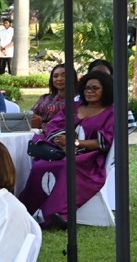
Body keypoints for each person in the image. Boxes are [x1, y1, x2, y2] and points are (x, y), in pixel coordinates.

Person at [19, 70, 114, 228]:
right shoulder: (74, 107)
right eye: (86, 88)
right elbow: (53, 126)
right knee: (40, 165)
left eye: (95, 88)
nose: (89, 91)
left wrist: (74, 143)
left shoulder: (110, 113)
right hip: (60, 151)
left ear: (106, 90)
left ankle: (53, 215)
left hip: (88, 159)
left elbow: (103, 142)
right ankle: (27, 209)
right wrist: (62, 143)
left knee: (66, 166)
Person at [31, 63, 71, 130]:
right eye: (55, 76)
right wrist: (34, 118)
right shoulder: (45, 98)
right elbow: (30, 114)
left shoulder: (76, 100)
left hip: (59, 133)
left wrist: (41, 122)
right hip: (36, 132)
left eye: (64, 76)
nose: (59, 79)